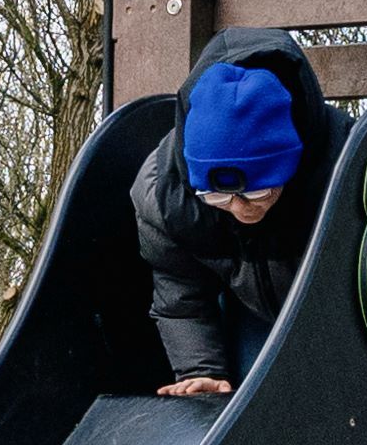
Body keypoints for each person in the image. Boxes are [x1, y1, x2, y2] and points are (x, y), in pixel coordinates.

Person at [132, 32, 326, 399]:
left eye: (256, 192)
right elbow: (180, 295)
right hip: (242, 312)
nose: (239, 209)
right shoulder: (166, 196)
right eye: (218, 196)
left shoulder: (337, 178)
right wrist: (200, 370)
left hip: (323, 326)